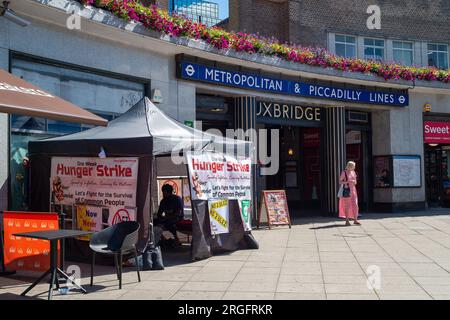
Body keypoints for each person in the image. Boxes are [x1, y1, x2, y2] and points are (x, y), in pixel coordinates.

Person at [339, 161, 360, 226]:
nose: (354, 167)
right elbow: (340, 182)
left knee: (355, 205)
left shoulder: (353, 172)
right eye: (354, 166)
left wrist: (354, 182)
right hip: (347, 190)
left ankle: (355, 220)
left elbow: (355, 182)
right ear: (350, 166)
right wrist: (348, 181)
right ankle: (347, 221)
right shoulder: (344, 172)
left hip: (353, 190)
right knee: (347, 206)